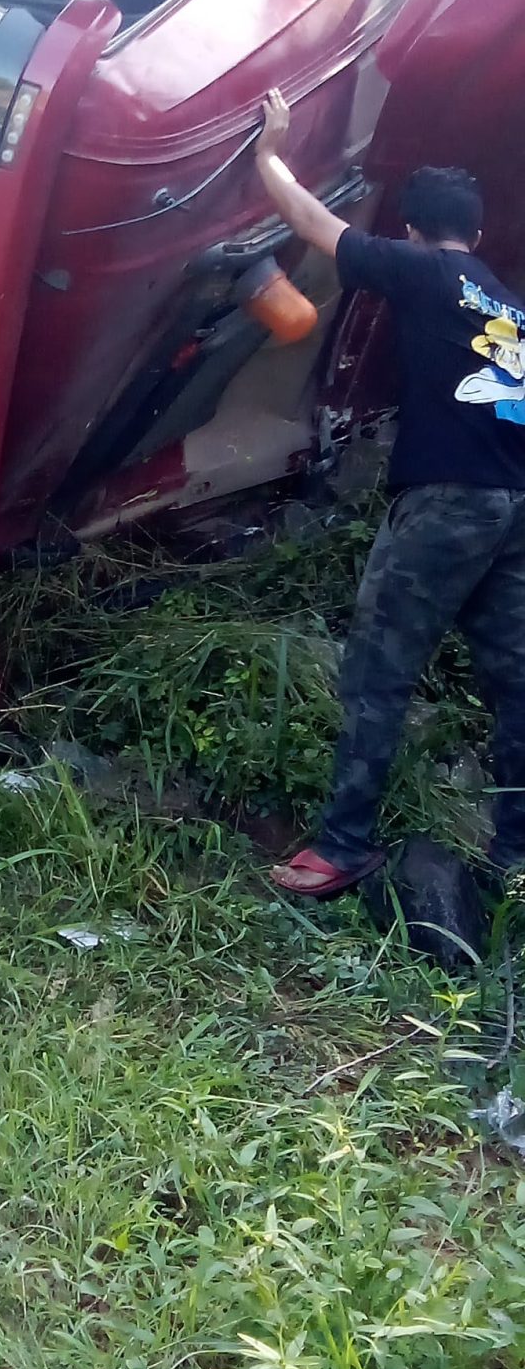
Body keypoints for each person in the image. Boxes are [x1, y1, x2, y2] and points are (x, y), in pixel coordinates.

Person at [253, 88, 525, 897]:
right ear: (478, 235)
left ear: (411, 230)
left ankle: (344, 847)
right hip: (514, 506)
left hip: (448, 503)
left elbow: (314, 223)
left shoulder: (421, 270)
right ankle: (515, 855)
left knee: (379, 666)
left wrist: (269, 154)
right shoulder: (509, 307)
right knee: (516, 682)